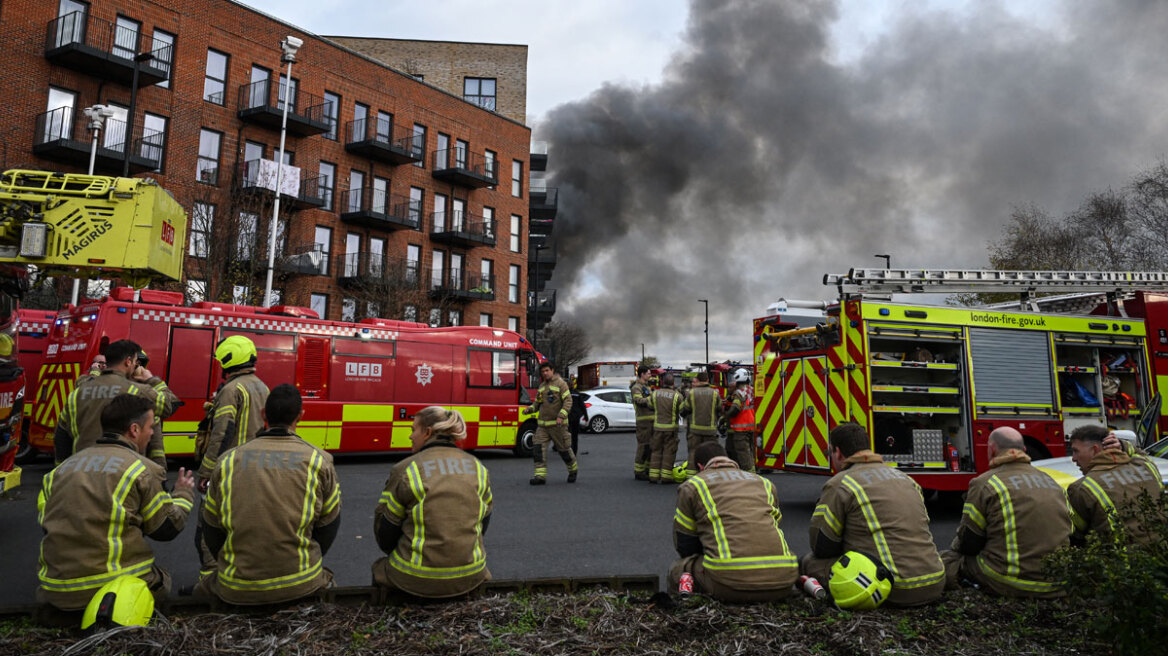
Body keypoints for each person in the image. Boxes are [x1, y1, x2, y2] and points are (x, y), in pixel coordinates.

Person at [37, 394, 195, 610]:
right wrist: (183, 494)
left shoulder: (58, 472)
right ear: (134, 430)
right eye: (150, 427)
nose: (152, 433)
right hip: (109, 593)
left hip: (55, 591)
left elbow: (48, 525)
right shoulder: (142, 469)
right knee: (162, 579)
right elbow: (166, 529)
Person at [196, 384, 341, 605]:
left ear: (264, 414)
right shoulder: (319, 461)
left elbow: (212, 529)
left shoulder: (227, 461)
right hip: (301, 582)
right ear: (301, 416)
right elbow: (328, 526)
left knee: (201, 590)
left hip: (236, 587)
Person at [803, 423, 946, 607]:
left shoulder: (841, 483)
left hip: (893, 589)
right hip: (935, 582)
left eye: (830, 453)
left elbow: (821, 546)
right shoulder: (907, 480)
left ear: (838, 452)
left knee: (810, 562)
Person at [372, 406, 493, 598]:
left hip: (414, 577)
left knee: (379, 568)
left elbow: (385, 532)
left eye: (413, 430)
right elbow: (483, 523)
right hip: (471, 574)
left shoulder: (406, 469)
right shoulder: (479, 468)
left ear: (427, 432)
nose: (411, 436)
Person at [941, 427, 1072, 598]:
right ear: (1024, 450)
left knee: (948, 560)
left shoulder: (985, 483)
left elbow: (969, 542)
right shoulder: (1052, 482)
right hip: (1058, 582)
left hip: (1011, 580)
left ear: (992, 450)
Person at [669, 442, 799, 601]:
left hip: (729, 584)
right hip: (783, 580)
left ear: (700, 467)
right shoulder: (765, 483)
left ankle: (687, 607)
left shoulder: (694, 485)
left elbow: (685, 544)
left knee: (678, 569)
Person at [194, 335, 270, 571]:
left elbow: (222, 433)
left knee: (206, 531)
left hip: (228, 469)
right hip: (252, 468)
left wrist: (206, 471)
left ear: (229, 359)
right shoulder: (261, 386)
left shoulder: (232, 389)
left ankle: (209, 583)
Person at [54, 339, 173, 470]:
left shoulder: (76, 394)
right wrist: (152, 380)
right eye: (134, 362)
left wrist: (61, 469)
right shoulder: (138, 391)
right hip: (125, 471)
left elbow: (61, 437)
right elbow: (168, 406)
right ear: (128, 361)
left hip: (82, 470)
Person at [1066, 425, 1161, 546]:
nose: (1073, 459)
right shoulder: (1146, 466)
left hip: (1121, 562)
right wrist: (1122, 446)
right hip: (1161, 554)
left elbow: (1076, 536)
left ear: (1095, 450)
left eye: (1075, 451)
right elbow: (1140, 454)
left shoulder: (1082, 488)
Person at [526, 361, 577, 485]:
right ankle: (540, 476)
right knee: (538, 449)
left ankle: (573, 470)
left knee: (564, 449)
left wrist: (561, 415)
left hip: (558, 425)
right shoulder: (542, 386)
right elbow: (538, 403)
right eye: (543, 372)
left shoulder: (561, 384)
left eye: (547, 370)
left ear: (552, 370)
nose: (545, 373)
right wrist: (530, 409)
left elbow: (568, 401)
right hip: (543, 426)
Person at [679, 371, 722, 480]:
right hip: (710, 430)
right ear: (707, 380)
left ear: (698, 380)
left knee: (693, 453)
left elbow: (686, 409)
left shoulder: (692, 393)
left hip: (695, 430)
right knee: (711, 454)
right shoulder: (715, 393)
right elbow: (720, 409)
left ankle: (691, 479)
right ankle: (710, 478)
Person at [648, 372, 683, 484]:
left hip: (657, 428)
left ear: (663, 382)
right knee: (669, 452)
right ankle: (666, 477)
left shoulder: (655, 394)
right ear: (673, 383)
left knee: (656, 451)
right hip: (671, 429)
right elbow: (683, 410)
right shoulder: (677, 396)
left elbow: (649, 405)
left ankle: (653, 476)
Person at [723, 370, 756, 472]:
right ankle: (754, 469)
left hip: (741, 427)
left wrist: (725, 417)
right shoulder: (752, 390)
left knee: (743, 452)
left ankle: (749, 473)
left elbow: (735, 408)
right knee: (751, 451)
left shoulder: (739, 393)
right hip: (752, 426)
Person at [630, 365, 654, 480]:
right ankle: (639, 472)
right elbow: (639, 401)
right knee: (643, 446)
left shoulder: (647, 387)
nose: (650, 375)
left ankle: (647, 469)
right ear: (642, 374)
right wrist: (653, 399)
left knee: (650, 446)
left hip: (650, 421)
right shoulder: (636, 387)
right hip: (643, 422)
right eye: (648, 373)